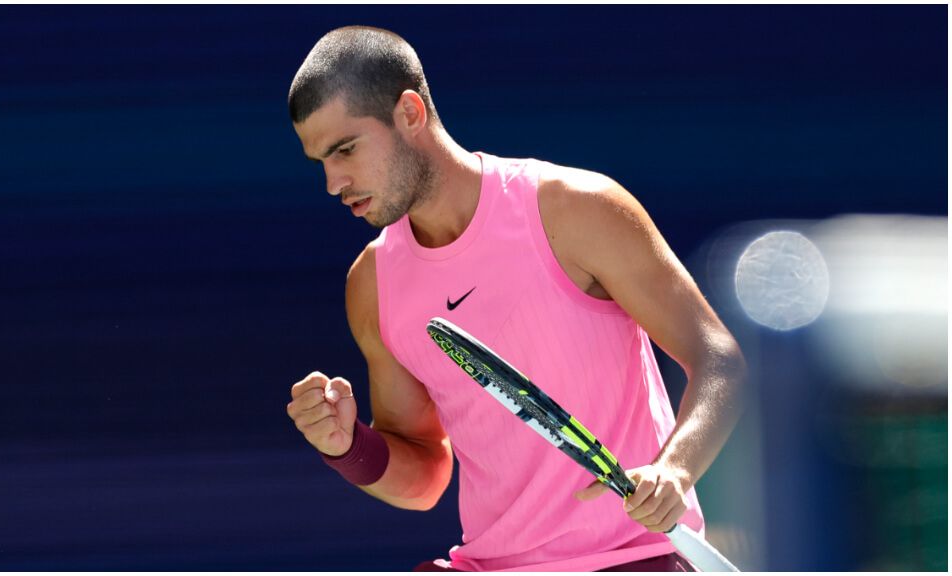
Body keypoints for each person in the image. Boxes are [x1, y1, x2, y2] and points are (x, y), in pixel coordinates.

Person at [285, 26, 746, 572]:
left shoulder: (577, 209)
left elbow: (719, 360)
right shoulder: (371, 284)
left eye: (345, 149)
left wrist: (676, 469)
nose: (334, 183)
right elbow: (427, 476)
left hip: (634, 558)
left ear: (409, 112)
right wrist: (347, 446)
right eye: (321, 162)